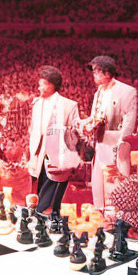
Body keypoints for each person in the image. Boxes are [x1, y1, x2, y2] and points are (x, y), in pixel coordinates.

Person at [81, 56, 137, 214]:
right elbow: (95, 117)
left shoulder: (125, 91)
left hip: (115, 142)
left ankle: (117, 217)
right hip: (100, 141)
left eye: (96, 72)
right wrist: (85, 124)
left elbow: (129, 119)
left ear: (106, 73)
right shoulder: (99, 92)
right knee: (98, 179)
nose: (94, 75)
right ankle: (100, 211)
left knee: (114, 181)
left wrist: (120, 142)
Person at [27, 66, 81, 216]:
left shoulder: (69, 105)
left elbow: (75, 132)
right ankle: (41, 214)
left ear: (52, 84)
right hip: (39, 149)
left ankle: (51, 215)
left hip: (58, 152)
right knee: (41, 181)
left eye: (43, 84)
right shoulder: (36, 103)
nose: (39, 87)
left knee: (55, 185)